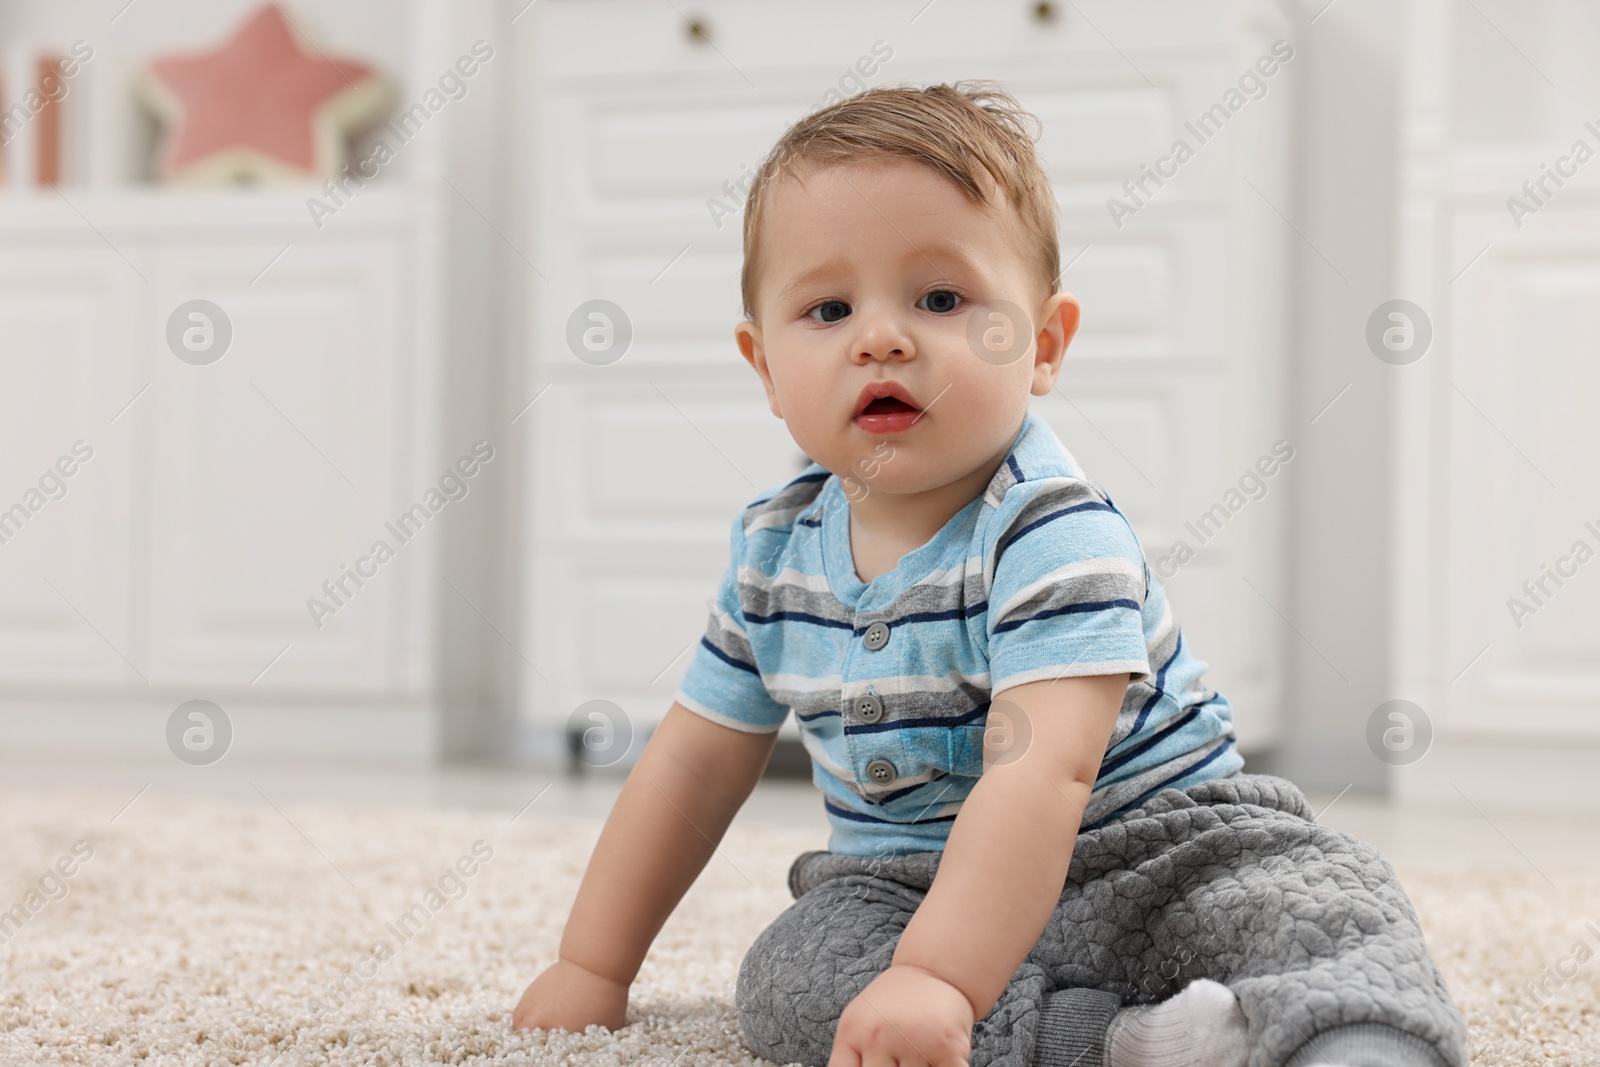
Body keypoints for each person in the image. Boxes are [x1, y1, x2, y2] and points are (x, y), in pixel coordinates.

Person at [512, 81, 1467, 1067]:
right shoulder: (772, 550)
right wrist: (594, 962)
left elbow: (1041, 769)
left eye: (939, 298)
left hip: (1152, 851)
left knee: (1312, 901)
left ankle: (1358, 1039)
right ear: (762, 366)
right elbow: (691, 765)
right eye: (828, 307)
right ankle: (1126, 1040)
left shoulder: (1052, 530)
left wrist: (939, 978)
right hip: (907, 881)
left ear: (1043, 344)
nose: (880, 336)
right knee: (791, 973)